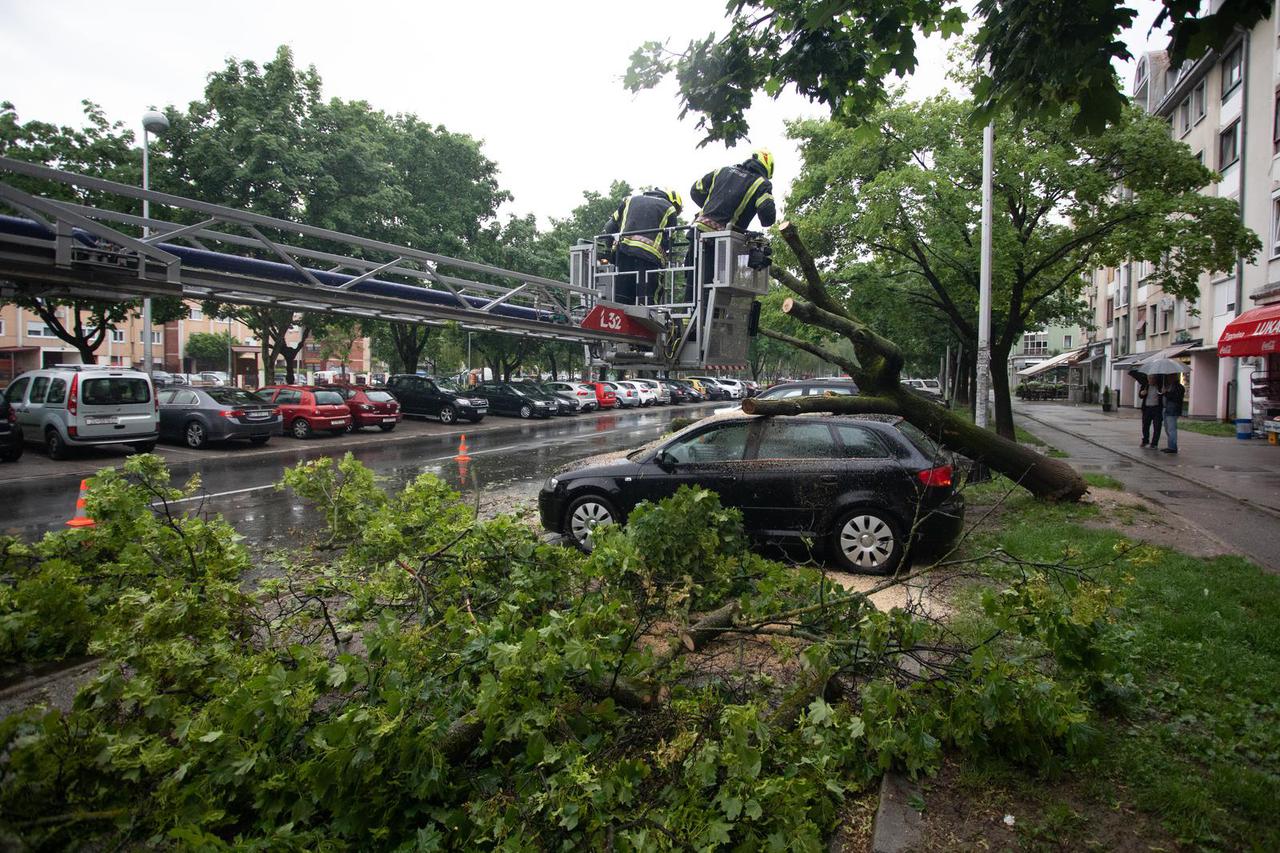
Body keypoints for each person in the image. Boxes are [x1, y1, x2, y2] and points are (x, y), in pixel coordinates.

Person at [684, 148, 777, 300]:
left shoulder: (722, 170)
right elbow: (767, 218)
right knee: (716, 286)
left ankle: (687, 319)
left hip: (697, 231)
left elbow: (696, 190)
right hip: (721, 242)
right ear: (767, 168)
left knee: (693, 281)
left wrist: (712, 206)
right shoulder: (761, 183)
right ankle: (705, 320)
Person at [600, 188, 683, 305]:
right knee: (647, 301)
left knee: (621, 297)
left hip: (623, 253)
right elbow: (670, 240)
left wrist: (610, 250)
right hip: (649, 259)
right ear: (674, 202)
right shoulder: (669, 208)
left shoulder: (629, 200)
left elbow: (609, 227)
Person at [1129, 368, 1163, 448]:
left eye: (1152, 379)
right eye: (1149, 378)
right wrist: (1142, 393)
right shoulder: (1145, 386)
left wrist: (1162, 392)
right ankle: (1145, 440)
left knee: (1157, 426)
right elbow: (1140, 396)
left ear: (1155, 379)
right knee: (1145, 426)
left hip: (1156, 409)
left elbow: (1163, 396)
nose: (1151, 380)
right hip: (1147, 408)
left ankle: (1154, 443)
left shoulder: (1160, 386)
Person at [1161, 373, 1185, 454]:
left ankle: (1172, 447)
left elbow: (1176, 397)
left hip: (1173, 410)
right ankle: (1170, 445)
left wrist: (1166, 393)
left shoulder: (1179, 387)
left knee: (1171, 429)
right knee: (1167, 429)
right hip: (1166, 409)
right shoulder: (1169, 386)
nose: (1168, 378)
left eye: (1170, 376)